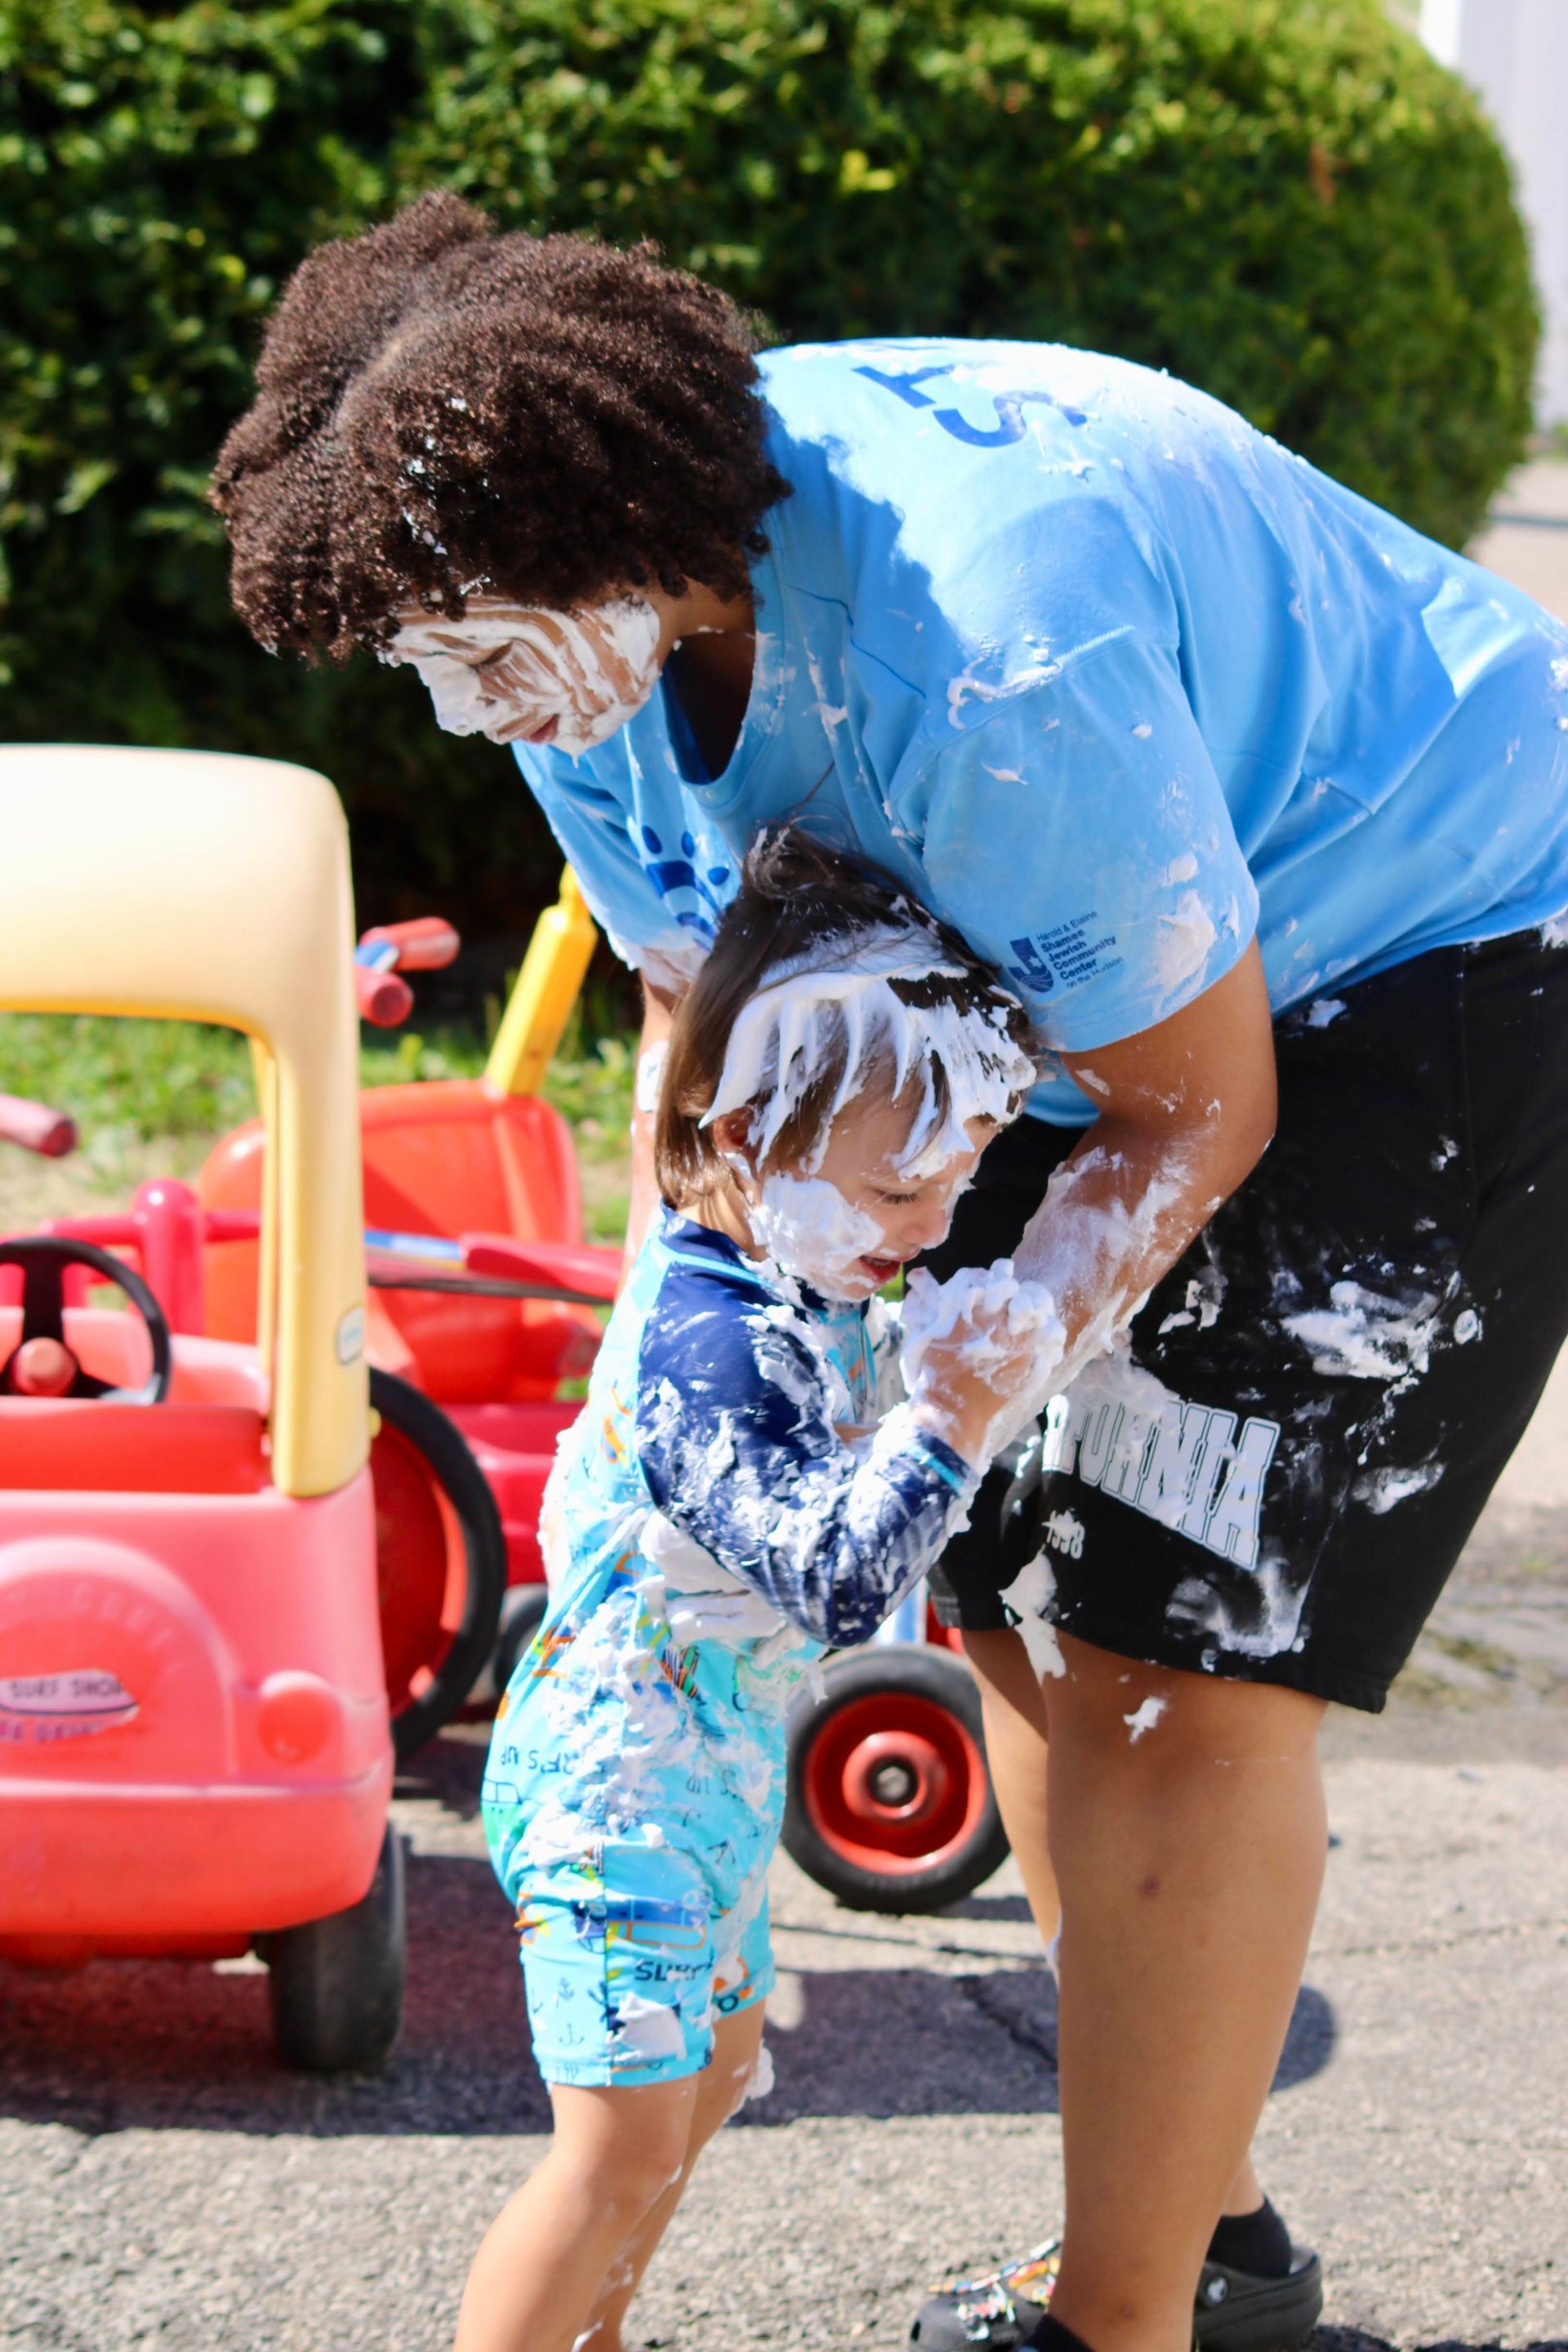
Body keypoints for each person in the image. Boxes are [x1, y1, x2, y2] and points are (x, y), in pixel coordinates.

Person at [213, 192, 1568, 2352]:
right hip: (1070, 979)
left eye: (472, 653)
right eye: (426, 670)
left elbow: (1189, 1109)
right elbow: (704, 992)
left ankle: (1127, 2333)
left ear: (624, 526)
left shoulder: (985, 646)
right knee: (1032, 1620)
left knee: (1181, 1670)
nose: (469, 718)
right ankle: (1190, 2238)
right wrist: (708, 1297)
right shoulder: (583, 661)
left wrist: (973, 1360)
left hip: (1423, 935)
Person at [460, 829, 1046, 2352]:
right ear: (733, 1137)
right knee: (614, 2152)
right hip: (612, 1796)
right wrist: (951, 1415)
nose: (931, 1230)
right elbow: (842, 1581)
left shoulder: (798, 1262)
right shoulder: (705, 1348)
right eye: (904, 1190)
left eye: (959, 1184)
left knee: (705, 2090)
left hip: (703, 1787)